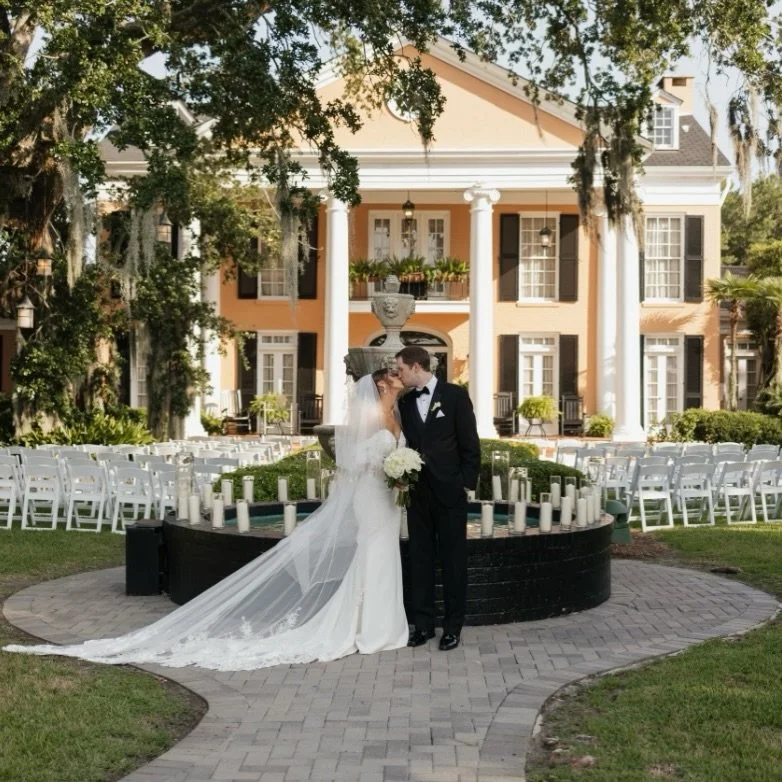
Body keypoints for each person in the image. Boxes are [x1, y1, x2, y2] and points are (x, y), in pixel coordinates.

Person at [4, 370, 409, 671]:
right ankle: (368, 629)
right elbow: (354, 462)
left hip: (386, 500)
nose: (396, 379)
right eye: (391, 377)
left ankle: (377, 625)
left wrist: (401, 472)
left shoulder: (394, 415)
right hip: (369, 499)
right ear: (380, 387)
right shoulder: (371, 417)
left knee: (380, 557)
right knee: (372, 556)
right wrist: (385, 465)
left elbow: (391, 455)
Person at [395, 346, 480, 651]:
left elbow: (470, 443)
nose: (399, 374)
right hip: (418, 493)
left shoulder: (455, 395)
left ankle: (453, 627)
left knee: (454, 561)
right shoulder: (405, 403)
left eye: (401, 369)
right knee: (421, 560)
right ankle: (424, 625)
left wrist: (464, 485)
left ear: (417, 367)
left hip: (450, 492)